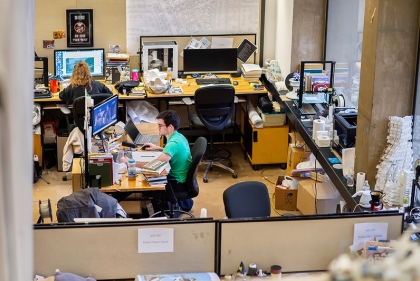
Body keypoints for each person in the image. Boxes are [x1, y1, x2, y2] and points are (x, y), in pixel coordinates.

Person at [140, 110, 193, 212]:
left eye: (160, 125)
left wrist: (130, 162)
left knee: (143, 186)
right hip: (181, 180)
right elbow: (173, 152)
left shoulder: (173, 143)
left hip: (176, 184)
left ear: (170, 127)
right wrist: (158, 148)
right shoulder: (179, 137)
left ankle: (153, 212)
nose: (158, 128)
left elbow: (153, 165)